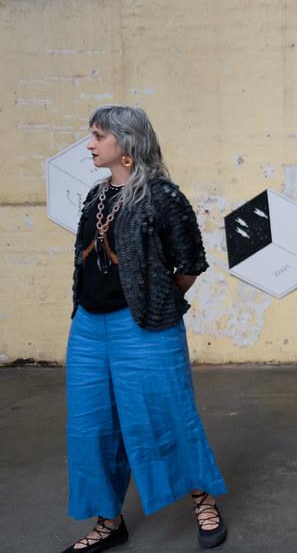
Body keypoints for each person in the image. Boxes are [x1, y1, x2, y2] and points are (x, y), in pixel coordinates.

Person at [63, 105, 228, 552]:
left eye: (98, 136)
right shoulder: (96, 195)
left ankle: (203, 500)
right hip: (88, 329)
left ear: (127, 144)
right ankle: (108, 521)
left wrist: (158, 300)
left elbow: (190, 262)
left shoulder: (162, 196)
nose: (90, 145)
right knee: (91, 427)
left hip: (144, 327)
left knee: (167, 415)